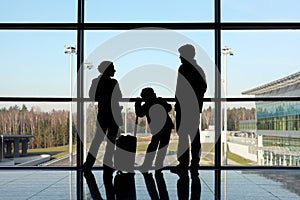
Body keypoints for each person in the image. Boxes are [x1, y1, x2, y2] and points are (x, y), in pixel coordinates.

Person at [83, 60, 123, 200]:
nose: (115, 71)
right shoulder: (113, 83)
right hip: (113, 115)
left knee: (97, 140)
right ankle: (107, 165)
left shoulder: (96, 81)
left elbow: (91, 96)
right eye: (113, 68)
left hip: (103, 114)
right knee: (111, 141)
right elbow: (119, 97)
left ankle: (88, 165)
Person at [171, 44, 207, 176]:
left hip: (184, 107)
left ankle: (183, 164)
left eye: (181, 55)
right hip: (193, 107)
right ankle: (194, 163)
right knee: (194, 136)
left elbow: (179, 89)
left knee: (183, 137)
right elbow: (203, 87)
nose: (180, 57)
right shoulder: (198, 69)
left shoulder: (183, 69)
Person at [135, 87, 174, 173]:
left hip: (157, 128)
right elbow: (169, 108)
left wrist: (137, 104)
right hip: (166, 126)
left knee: (153, 146)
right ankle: (158, 165)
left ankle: (147, 164)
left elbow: (139, 113)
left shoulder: (147, 104)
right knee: (163, 146)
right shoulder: (159, 101)